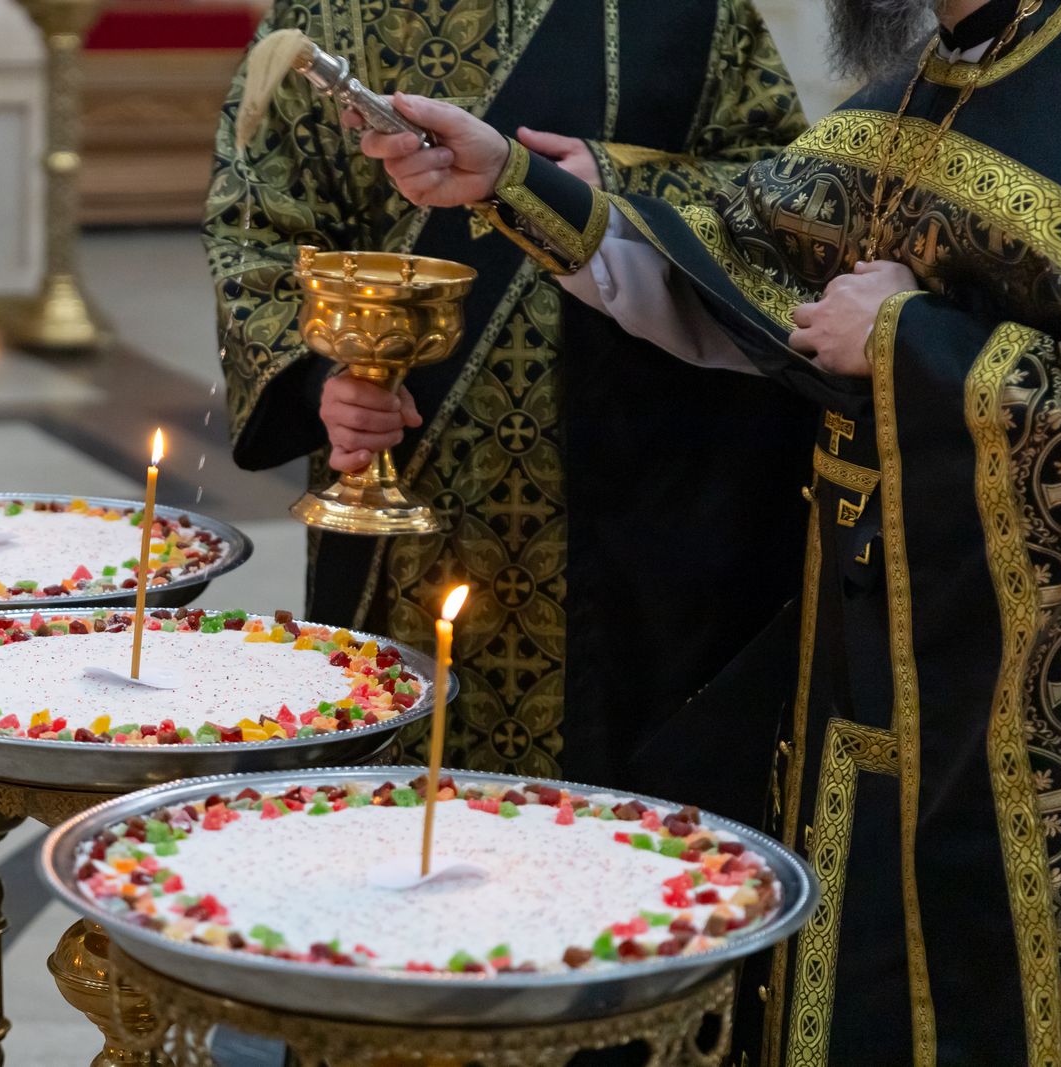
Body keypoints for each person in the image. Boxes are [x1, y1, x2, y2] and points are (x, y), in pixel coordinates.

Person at [356, 0, 1061, 1061]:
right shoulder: (926, 88)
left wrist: (910, 340)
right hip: (869, 654)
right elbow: (742, 252)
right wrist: (510, 179)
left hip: (1039, 694)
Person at [206, 0, 815, 810]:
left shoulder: (699, 11)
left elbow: (784, 201)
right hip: (409, 481)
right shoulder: (334, 11)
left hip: (639, 496)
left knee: (611, 827)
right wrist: (327, 381)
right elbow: (253, 227)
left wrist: (606, 184)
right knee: (395, 809)